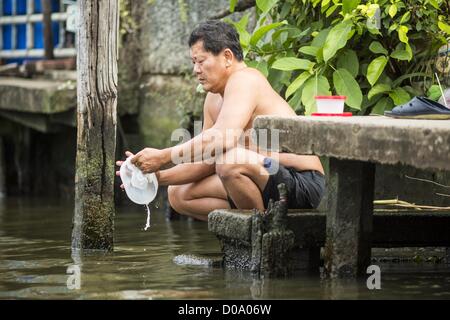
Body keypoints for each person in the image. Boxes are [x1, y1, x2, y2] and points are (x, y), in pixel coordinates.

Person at [116, 20, 325, 221]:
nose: (196, 70)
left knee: (228, 161)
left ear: (227, 56)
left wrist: (163, 156)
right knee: (178, 194)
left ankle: (263, 235)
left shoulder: (246, 79)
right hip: (259, 175)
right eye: (193, 63)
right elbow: (206, 161)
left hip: (300, 181)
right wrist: (154, 176)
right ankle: (250, 226)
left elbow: (221, 140)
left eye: (201, 61)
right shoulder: (213, 98)